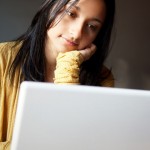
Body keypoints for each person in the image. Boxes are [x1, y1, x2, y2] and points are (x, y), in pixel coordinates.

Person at [0, 0, 115, 149]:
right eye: (71, 13)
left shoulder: (102, 79)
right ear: (50, 6)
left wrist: (68, 67)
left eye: (92, 26)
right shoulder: (2, 59)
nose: (77, 33)